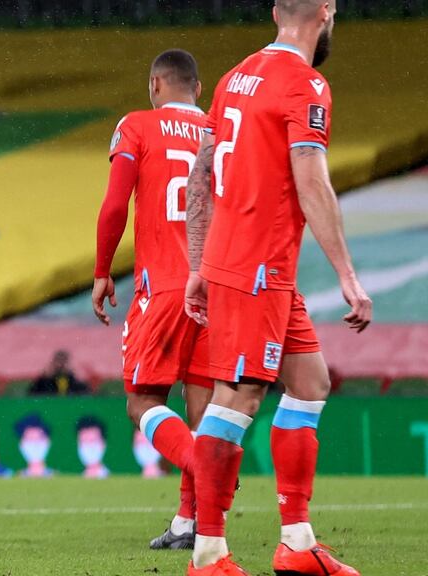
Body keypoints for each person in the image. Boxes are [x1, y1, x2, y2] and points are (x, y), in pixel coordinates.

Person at [183, 1, 372, 574]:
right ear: (327, 11)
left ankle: (296, 541)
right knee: (237, 396)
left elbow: (204, 172)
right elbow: (310, 180)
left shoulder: (234, 76)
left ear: (274, 11)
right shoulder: (306, 85)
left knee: (310, 382)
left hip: (251, 264)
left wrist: (199, 261)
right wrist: (347, 274)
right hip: (256, 267)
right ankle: (208, 552)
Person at [92, 48, 214, 551]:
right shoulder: (221, 128)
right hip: (216, 285)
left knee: (141, 401)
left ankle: (209, 474)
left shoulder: (137, 125)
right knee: (203, 409)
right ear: (199, 89)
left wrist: (102, 271)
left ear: (156, 85)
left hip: (163, 284)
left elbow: (117, 202)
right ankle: (190, 523)